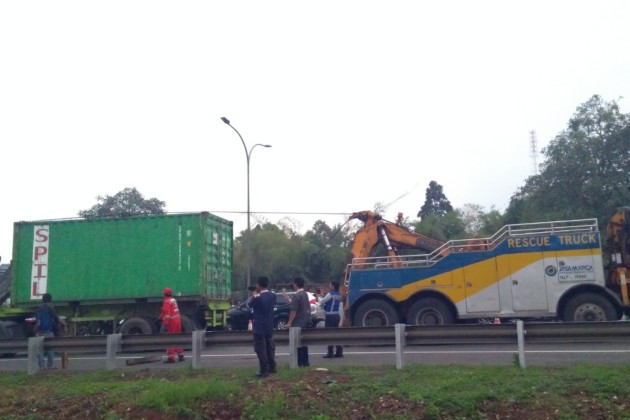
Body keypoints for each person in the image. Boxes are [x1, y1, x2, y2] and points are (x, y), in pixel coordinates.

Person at [247, 276, 276, 377]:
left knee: (260, 348)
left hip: (259, 326)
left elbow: (249, 304)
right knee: (270, 347)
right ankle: (272, 366)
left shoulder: (258, 297)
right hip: (269, 325)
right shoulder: (272, 295)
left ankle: (263, 370)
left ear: (259, 285)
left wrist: (254, 295)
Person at [286, 276, 311, 367]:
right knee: (304, 343)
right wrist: (288, 300)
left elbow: (294, 311)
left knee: (298, 344)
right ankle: (305, 362)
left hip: (297, 322)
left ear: (295, 284)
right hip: (305, 321)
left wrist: (289, 323)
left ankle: (300, 363)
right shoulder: (304, 294)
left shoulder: (297, 296)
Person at [318, 280, 344, 358]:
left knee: (329, 334)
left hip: (330, 316)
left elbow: (322, 302)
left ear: (333, 286)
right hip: (336, 315)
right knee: (337, 334)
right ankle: (339, 351)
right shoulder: (339, 295)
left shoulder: (330, 294)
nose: (329, 286)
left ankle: (330, 352)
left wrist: (319, 296)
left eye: (330, 285)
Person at [34, 293, 60, 370]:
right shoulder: (50, 307)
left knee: (40, 350)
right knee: (51, 349)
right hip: (48, 332)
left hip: (39, 331)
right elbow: (55, 318)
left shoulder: (38, 308)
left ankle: (42, 366)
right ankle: (50, 366)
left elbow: (37, 320)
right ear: (50, 299)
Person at [160, 287, 184, 363]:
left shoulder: (166, 302)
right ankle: (181, 355)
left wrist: (165, 324)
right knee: (178, 338)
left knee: (170, 339)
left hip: (172, 322)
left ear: (165, 294)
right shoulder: (173, 300)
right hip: (178, 321)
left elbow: (168, 314)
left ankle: (171, 358)